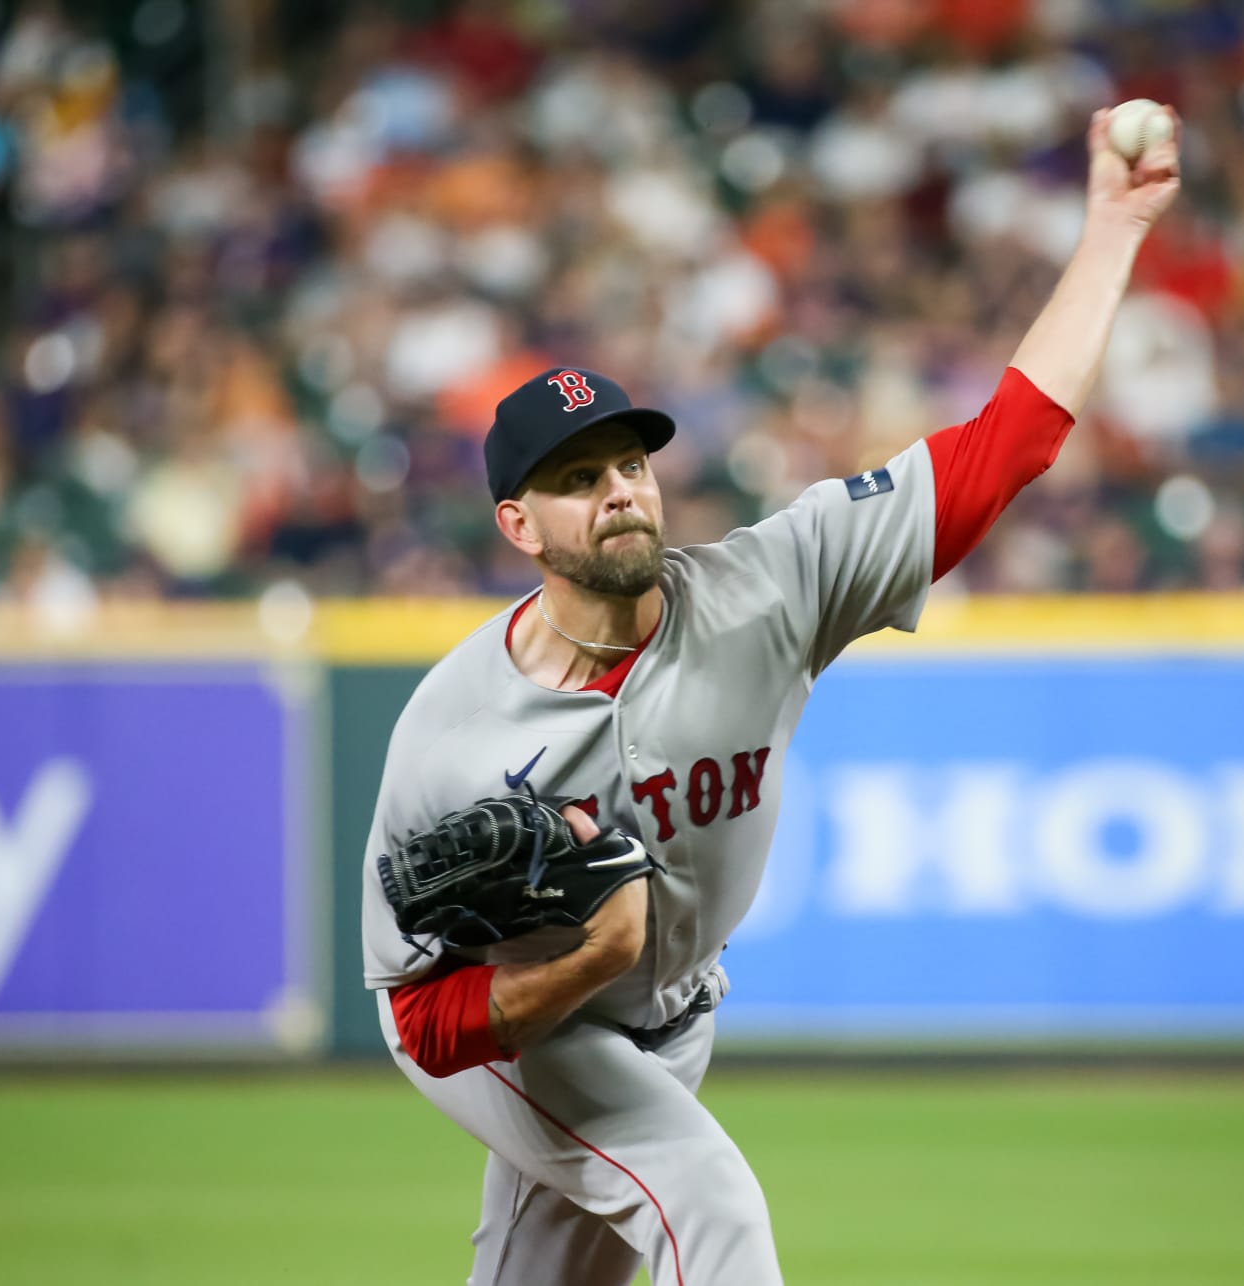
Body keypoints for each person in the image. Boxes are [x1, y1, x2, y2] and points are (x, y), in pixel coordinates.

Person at [360, 106, 1181, 1285]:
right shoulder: (453, 729)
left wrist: (1113, 226)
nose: (620, 493)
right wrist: (582, 966)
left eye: (630, 463)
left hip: (677, 1019)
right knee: (711, 1202)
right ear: (517, 524)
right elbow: (415, 1018)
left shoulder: (768, 590)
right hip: (528, 1036)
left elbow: (1008, 445)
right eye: (577, 479)